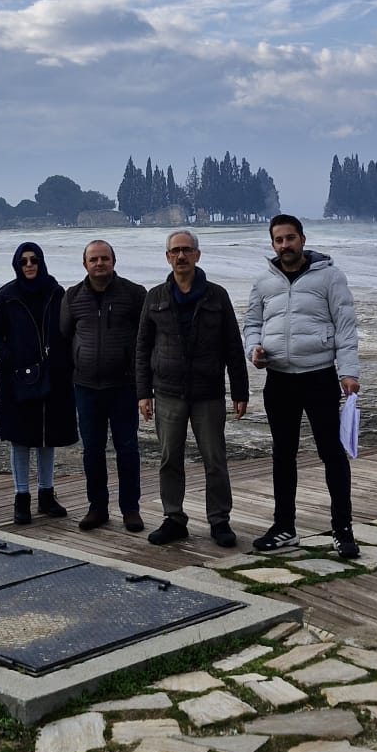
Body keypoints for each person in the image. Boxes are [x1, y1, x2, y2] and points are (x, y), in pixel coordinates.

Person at [243, 213, 361, 559]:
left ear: (303, 240)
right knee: (283, 455)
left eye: (290, 238)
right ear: (272, 244)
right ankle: (284, 528)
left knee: (332, 454)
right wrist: (254, 349)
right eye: (279, 240)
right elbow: (251, 322)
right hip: (279, 379)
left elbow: (346, 326)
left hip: (319, 376)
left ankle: (343, 530)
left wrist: (349, 372)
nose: (285, 245)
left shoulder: (330, 276)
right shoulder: (264, 281)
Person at [135, 230, 249, 547]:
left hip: (208, 392)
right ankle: (174, 519)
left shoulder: (217, 295)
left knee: (215, 460)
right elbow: (142, 347)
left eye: (187, 250)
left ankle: (219, 521)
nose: (181, 256)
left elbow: (232, 346)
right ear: (167, 257)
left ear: (197, 255)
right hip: (167, 392)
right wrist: (143, 392)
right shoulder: (155, 296)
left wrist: (240, 391)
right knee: (170, 458)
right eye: (175, 251)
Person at [0, 241, 78, 524]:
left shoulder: (56, 292)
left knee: (46, 437)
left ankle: (46, 494)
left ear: (41, 262)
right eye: (24, 261)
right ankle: (21, 497)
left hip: (53, 375)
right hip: (17, 377)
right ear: (17, 264)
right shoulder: (7, 296)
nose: (29, 265)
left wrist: (64, 363)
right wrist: (10, 360)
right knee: (20, 438)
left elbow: (68, 331)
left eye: (34, 260)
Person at [61, 238, 146, 532]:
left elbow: (145, 339)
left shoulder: (134, 294)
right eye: (94, 259)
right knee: (92, 450)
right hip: (86, 388)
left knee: (127, 448)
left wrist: (142, 381)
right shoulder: (72, 296)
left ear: (114, 261)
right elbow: (64, 336)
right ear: (85, 264)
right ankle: (97, 507)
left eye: (104, 258)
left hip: (124, 386)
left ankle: (130, 509)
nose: (99, 264)